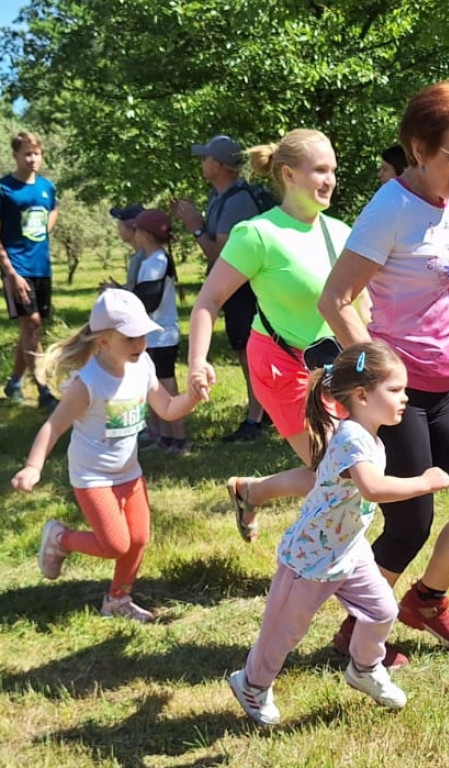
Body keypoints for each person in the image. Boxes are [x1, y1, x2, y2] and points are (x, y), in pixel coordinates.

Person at [318, 80, 449, 655]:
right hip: (402, 391)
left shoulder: (445, 196)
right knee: (409, 523)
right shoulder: (391, 209)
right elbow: (335, 300)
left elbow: (428, 275)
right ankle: (357, 631)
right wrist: (378, 376)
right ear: (420, 150)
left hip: (446, 386)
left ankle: (425, 601)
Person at [228, 341, 449, 725]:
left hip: (348, 549)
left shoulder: (367, 433)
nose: (405, 397)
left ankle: (364, 668)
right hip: (311, 557)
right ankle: (251, 684)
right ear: (363, 396)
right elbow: (373, 489)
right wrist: (425, 481)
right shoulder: (352, 438)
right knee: (283, 633)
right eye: (396, 390)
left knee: (382, 610)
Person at [186, 128, 351, 542]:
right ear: (288, 174)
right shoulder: (258, 234)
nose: (329, 179)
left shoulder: (341, 233)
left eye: (332, 169)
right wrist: (197, 362)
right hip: (280, 365)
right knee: (342, 473)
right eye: (319, 170)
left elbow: (363, 304)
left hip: (333, 366)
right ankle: (314, 565)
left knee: (348, 470)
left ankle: (251, 492)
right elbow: (208, 302)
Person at [10, 289, 200, 621]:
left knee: (138, 540)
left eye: (142, 333)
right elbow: (53, 427)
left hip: (128, 472)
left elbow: (168, 409)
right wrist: (32, 467)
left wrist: (194, 396)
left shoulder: (143, 367)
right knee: (115, 545)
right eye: (129, 337)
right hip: (92, 476)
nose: (139, 343)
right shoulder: (88, 384)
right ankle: (60, 538)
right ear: (102, 342)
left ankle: (117, 600)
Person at [171, 134, 265, 442]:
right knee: (243, 349)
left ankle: (256, 419)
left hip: (245, 290)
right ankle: (260, 413)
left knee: (249, 350)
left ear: (220, 165)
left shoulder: (237, 201)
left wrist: (194, 225)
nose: (202, 163)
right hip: (235, 289)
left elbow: (221, 257)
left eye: (206, 158)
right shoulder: (219, 196)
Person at [1, 131, 59, 410]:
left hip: (42, 266)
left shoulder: (47, 186)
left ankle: (14, 382)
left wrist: (44, 232)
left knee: (31, 328)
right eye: (26, 153)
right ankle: (43, 387)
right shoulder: (5, 190)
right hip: (18, 268)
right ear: (15, 155)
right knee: (32, 322)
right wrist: (10, 272)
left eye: (36, 153)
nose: (32, 158)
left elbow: (54, 210)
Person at [127, 208, 190, 455]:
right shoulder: (152, 260)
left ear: (145, 234)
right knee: (155, 388)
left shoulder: (155, 262)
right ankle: (165, 437)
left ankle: (180, 440)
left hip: (161, 337)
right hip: (155, 336)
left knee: (167, 389)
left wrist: (123, 297)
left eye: (137, 230)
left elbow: (148, 301)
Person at [101, 202, 147, 291]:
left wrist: (115, 290)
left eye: (120, 224)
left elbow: (134, 296)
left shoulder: (140, 258)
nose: (118, 228)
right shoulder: (145, 254)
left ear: (132, 228)